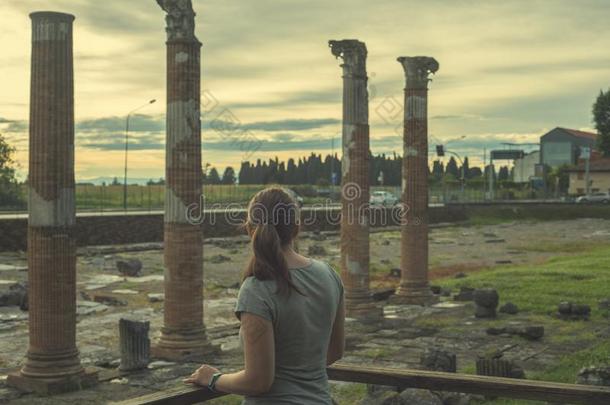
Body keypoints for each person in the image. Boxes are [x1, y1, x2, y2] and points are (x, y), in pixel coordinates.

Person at [185, 187, 345, 404]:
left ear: (251, 230)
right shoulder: (329, 275)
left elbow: (258, 382)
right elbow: (335, 352)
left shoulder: (256, 290)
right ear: (296, 228)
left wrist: (213, 378)